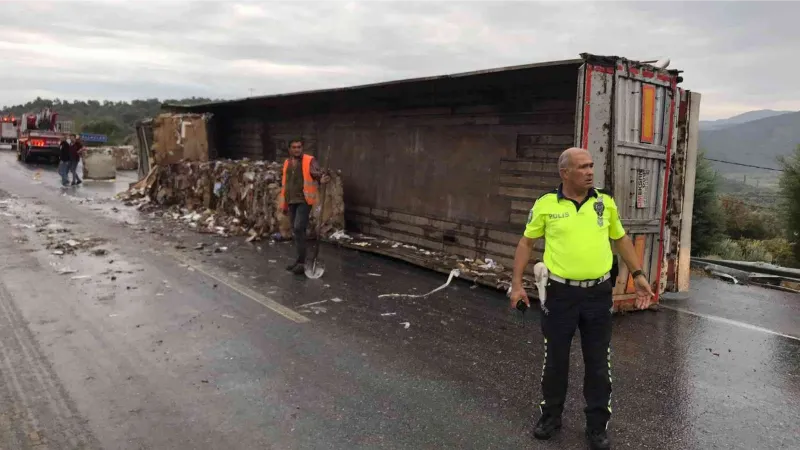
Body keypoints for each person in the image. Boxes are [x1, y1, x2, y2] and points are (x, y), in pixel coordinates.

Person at [509, 147, 654, 450]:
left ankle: (597, 427)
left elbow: (620, 238)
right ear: (565, 173)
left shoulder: (605, 203)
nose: (590, 172)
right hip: (560, 295)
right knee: (556, 361)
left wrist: (638, 274)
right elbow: (526, 243)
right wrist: (517, 284)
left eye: (591, 166)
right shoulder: (546, 205)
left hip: (598, 295)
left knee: (599, 363)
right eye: (583, 167)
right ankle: (550, 418)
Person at [279, 138, 330, 274]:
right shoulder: (287, 163)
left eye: (299, 147)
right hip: (291, 201)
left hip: (304, 200)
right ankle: (300, 260)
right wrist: (284, 204)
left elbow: (316, 172)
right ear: (289, 149)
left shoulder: (309, 160)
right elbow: (286, 185)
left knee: (298, 227)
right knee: (297, 232)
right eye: (294, 147)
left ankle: (302, 263)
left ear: (302, 148)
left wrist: (322, 178)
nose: (297, 149)